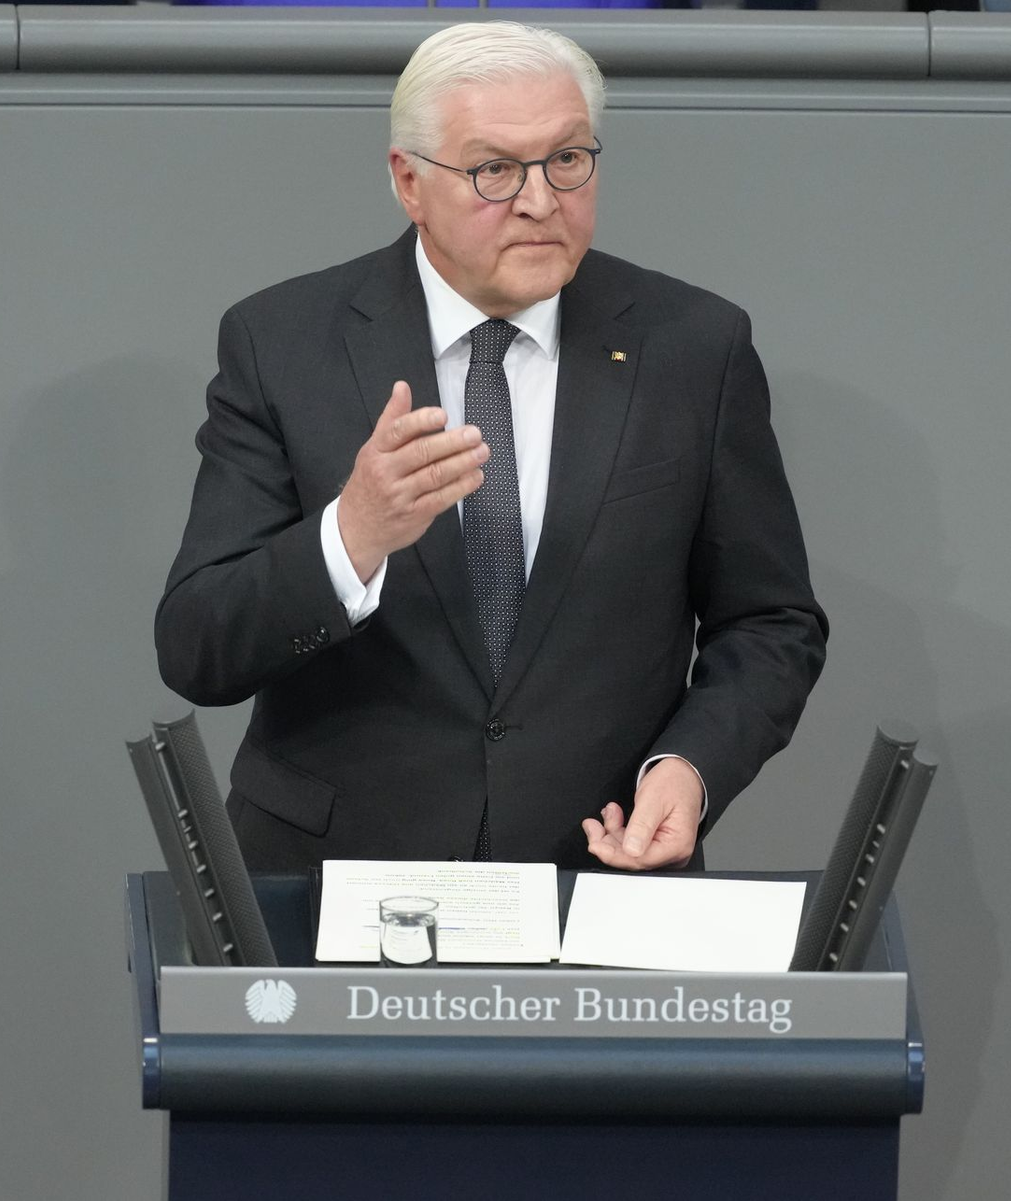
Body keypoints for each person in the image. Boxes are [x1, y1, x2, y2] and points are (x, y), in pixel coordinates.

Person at [156, 20, 828, 874]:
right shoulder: (283, 343)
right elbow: (196, 646)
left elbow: (770, 621)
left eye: (568, 161)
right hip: (336, 884)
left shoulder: (694, 347)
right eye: (495, 170)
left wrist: (690, 769)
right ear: (409, 181)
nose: (541, 200)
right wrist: (351, 536)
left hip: (597, 877)